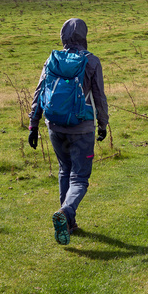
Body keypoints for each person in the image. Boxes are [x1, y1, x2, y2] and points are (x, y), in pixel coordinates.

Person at [28, 18, 109, 245]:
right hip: (81, 127)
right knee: (80, 177)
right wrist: (103, 124)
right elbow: (99, 96)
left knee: (65, 170)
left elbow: (39, 92)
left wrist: (33, 125)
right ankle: (65, 213)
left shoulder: (51, 59)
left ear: (62, 35)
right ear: (84, 35)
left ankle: (69, 223)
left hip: (54, 125)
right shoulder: (91, 61)